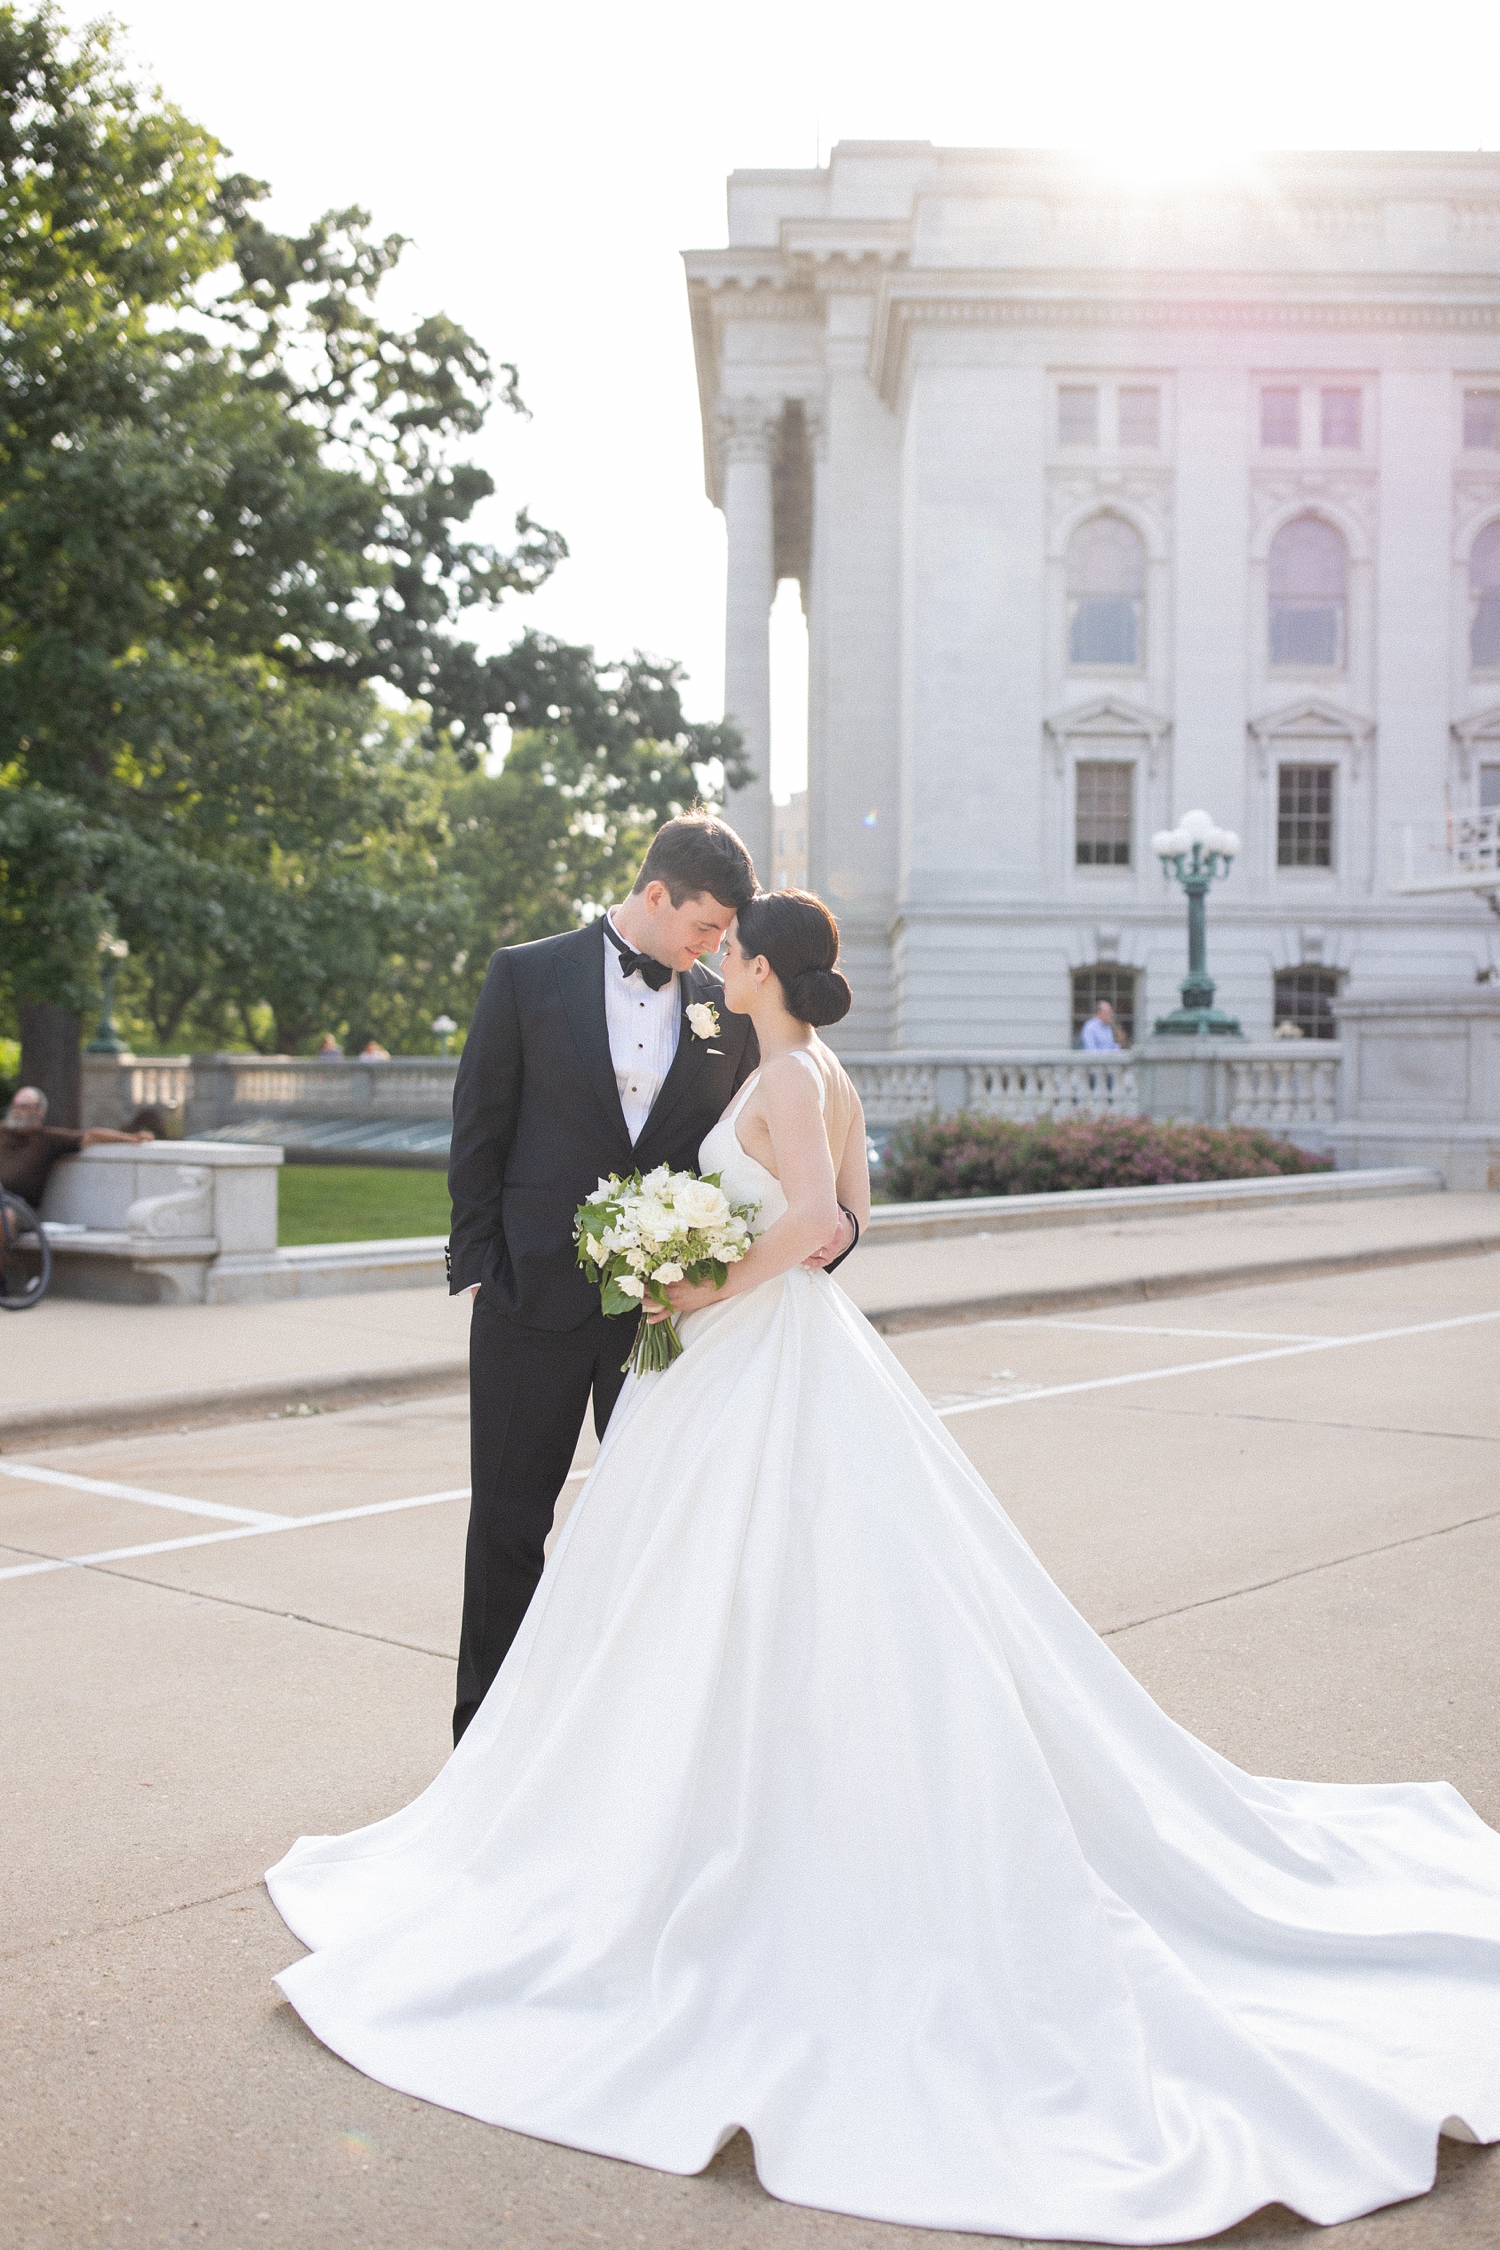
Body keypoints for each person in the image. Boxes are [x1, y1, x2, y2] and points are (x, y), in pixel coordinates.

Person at [268, 888, 1499, 2246]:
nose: (718, 962)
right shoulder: (816, 1070)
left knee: (734, 1585)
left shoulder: (787, 1071)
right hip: (783, 1352)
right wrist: (740, 1262)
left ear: (766, 969)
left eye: (736, 951)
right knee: (750, 1589)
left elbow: (805, 1221)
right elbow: (856, 1219)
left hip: (744, 1347)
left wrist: (692, 1286)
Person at [443, 811, 807, 1747]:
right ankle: (486, 1740)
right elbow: (479, 1125)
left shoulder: (720, 1006)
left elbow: (740, 1147)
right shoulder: (524, 976)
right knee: (509, 1526)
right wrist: (482, 1269)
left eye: (724, 935)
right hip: (530, 1298)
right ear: (656, 895)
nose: (717, 948)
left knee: (650, 1532)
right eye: (706, 928)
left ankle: (619, 1745)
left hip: (660, 1317)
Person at [0, 1086, 150, 1208]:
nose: (17, 1111)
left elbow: (92, 1135)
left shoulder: (48, 1138)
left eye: (24, 1106)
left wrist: (132, 1138)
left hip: (17, 1208)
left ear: (40, 1112)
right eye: (15, 1105)